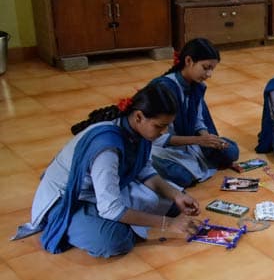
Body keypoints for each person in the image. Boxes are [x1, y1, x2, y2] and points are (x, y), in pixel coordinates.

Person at [14, 84, 202, 258]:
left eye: (167, 126)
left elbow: (143, 170)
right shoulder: (107, 148)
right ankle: (81, 224)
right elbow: (111, 209)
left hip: (103, 189)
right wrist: (167, 224)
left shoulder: (138, 131)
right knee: (115, 239)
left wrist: (175, 194)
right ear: (138, 117)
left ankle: (130, 219)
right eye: (159, 126)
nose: (164, 132)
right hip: (69, 199)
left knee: (173, 204)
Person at [149, 38, 239, 188]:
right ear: (189, 61)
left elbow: (197, 120)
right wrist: (198, 140)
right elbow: (156, 138)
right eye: (206, 67)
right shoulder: (163, 89)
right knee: (183, 177)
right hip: (160, 147)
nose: (209, 74)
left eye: (212, 69)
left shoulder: (196, 86)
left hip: (189, 143)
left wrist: (207, 137)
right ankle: (148, 164)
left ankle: (194, 159)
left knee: (231, 152)